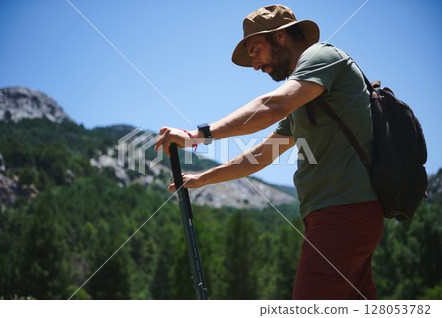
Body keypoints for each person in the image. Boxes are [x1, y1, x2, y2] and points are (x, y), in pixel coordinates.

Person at [155, 4, 383, 300]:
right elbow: (263, 154)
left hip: (343, 213)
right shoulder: (303, 96)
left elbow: (271, 107)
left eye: (255, 50)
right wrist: (202, 179)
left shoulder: (321, 56)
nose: (255, 65)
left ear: (279, 37)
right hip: (336, 216)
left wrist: (196, 135)